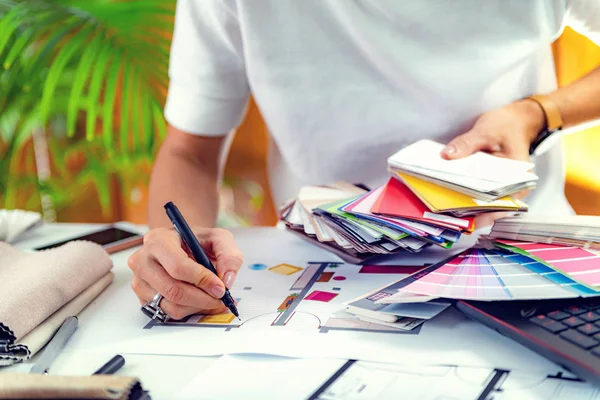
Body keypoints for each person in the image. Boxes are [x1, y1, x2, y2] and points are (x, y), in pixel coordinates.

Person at [128, 0, 600, 320]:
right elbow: (189, 151)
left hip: (524, 263)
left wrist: (540, 114)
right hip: (322, 274)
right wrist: (173, 254)